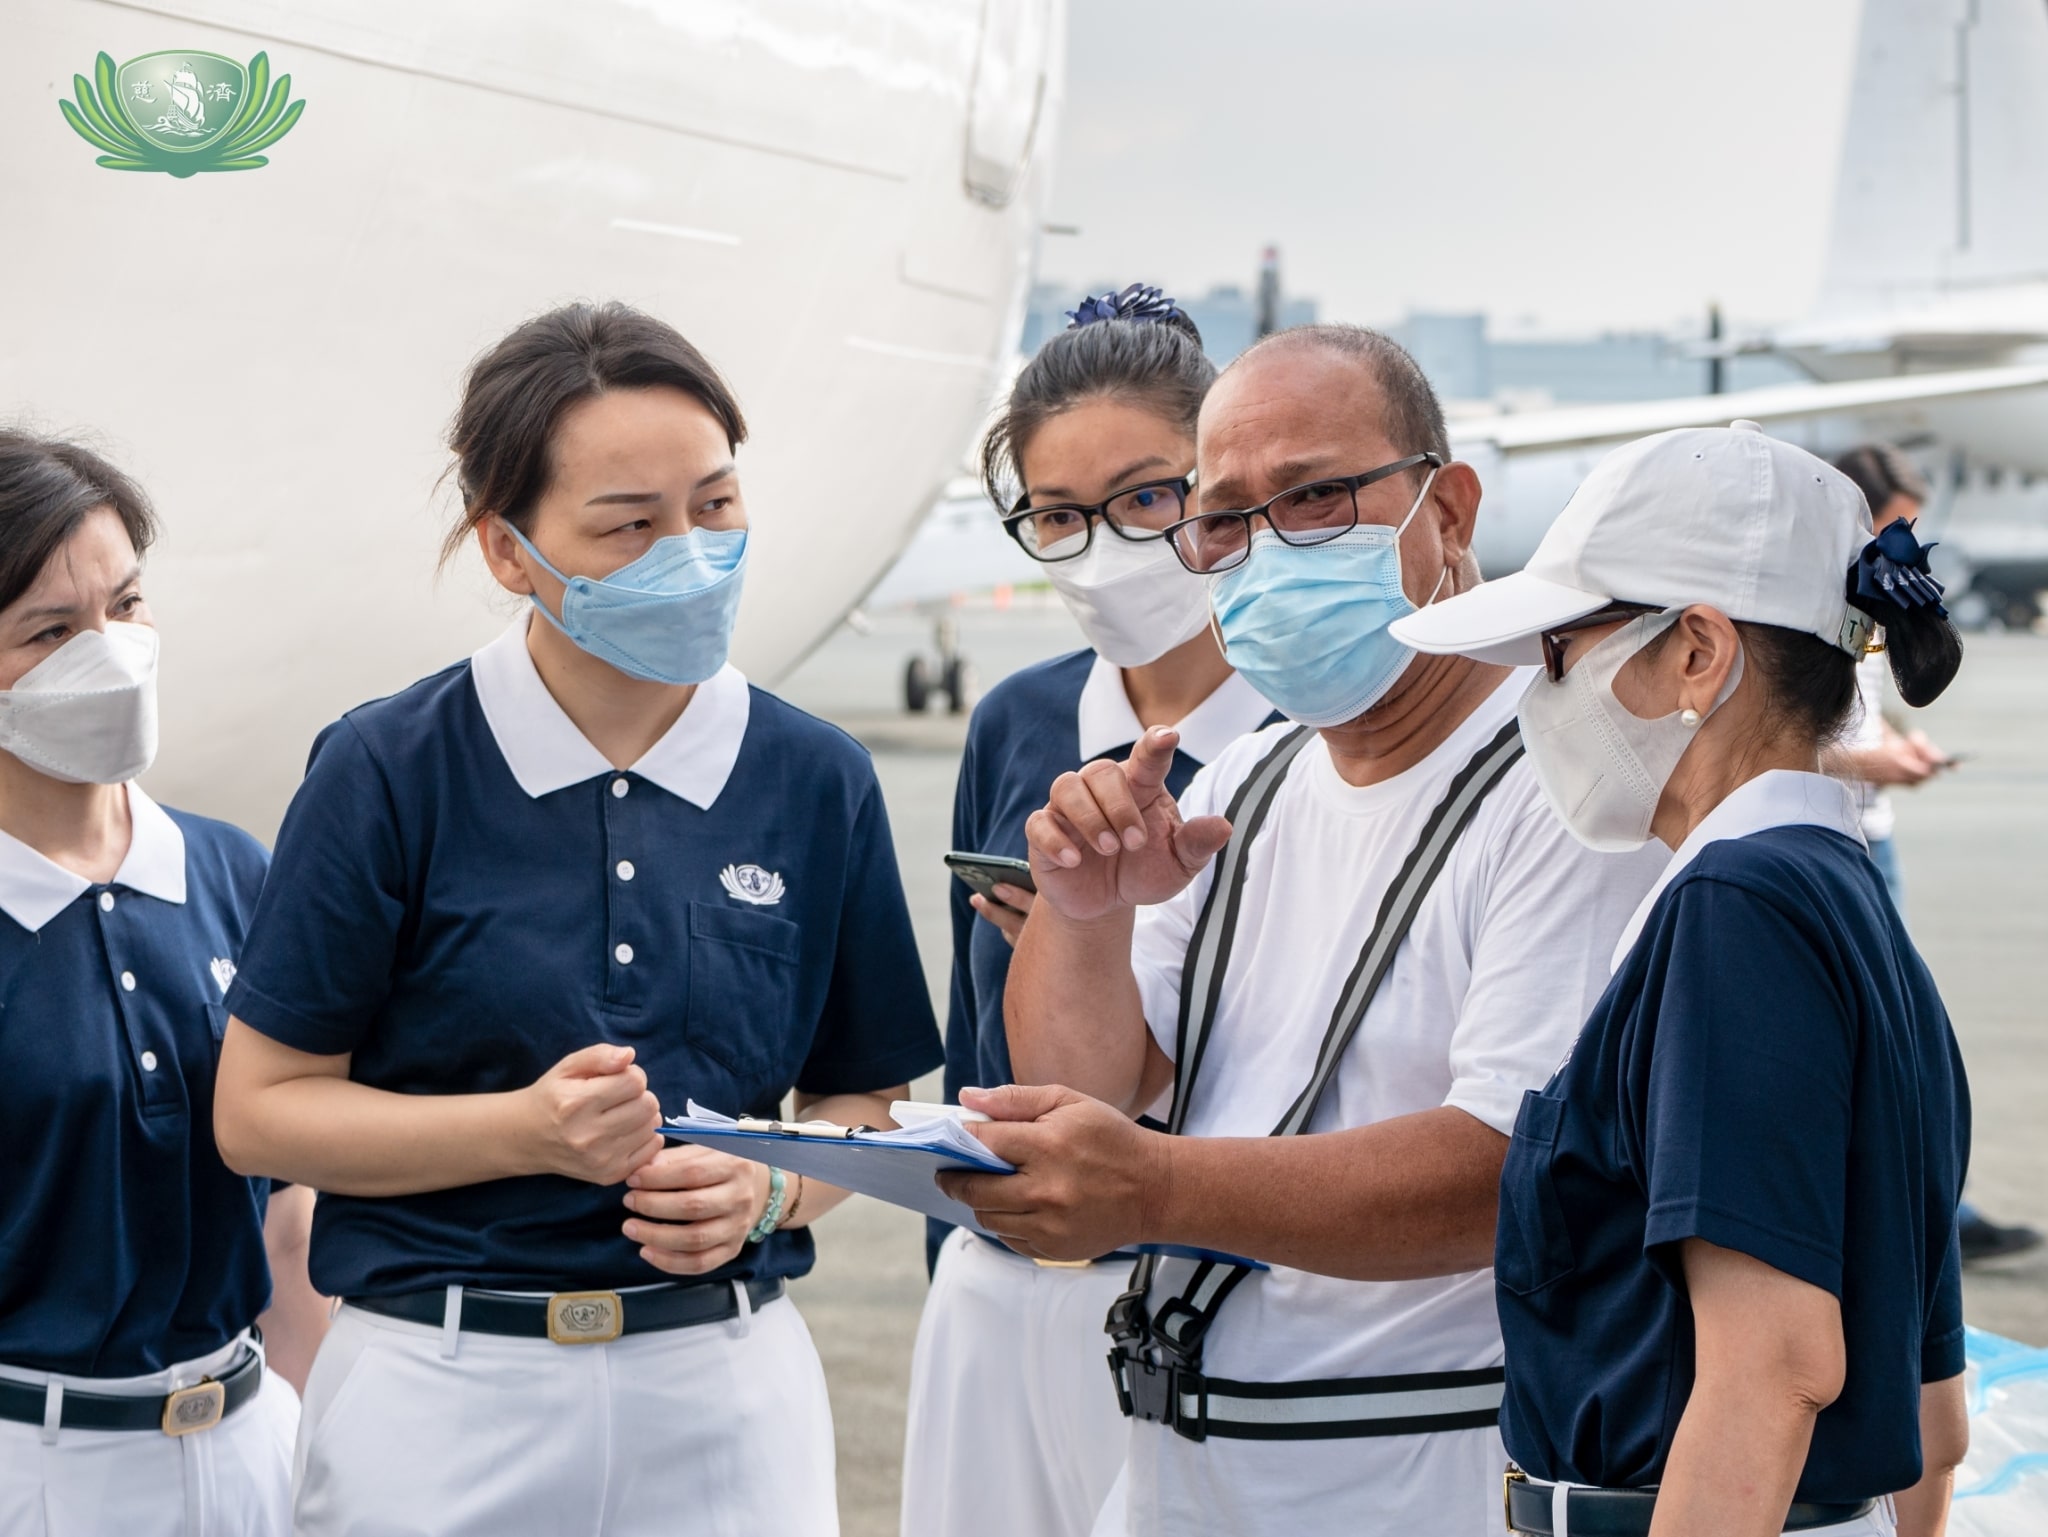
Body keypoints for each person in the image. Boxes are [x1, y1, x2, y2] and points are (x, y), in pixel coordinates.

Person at [211, 302, 943, 1535]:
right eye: (629, 525)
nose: (689, 551)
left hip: (725, 1393)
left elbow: (862, 1105)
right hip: (441, 1397)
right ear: (509, 551)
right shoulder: (389, 767)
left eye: (714, 507)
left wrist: (770, 1193)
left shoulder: (813, 776)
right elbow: (259, 1111)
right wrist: (524, 1131)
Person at [938, 324, 1668, 1537]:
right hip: (1182, 1454)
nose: (1265, 550)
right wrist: (1082, 921)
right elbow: (1087, 1089)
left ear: (1449, 509)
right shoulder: (1246, 780)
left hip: (1415, 1457)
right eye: (1224, 518)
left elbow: (1502, 1174)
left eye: (1316, 497)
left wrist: (1155, 1186)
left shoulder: (1567, 790)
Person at [1392, 420, 1971, 1536]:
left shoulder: (1733, 913)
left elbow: (1772, 1366)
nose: (1537, 697)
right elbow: (1930, 1415)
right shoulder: (1848, 908)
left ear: (1696, 654)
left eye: (1560, 651)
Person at [902, 284, 1277, 1537]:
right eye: (1057, 515)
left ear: (1220, 485)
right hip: (1005, 1297)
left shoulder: (1321, 731)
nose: (1105, 545)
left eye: (1145, 497)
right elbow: (976, 1045)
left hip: (1235, 1291)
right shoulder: (1019, 719)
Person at [0, 430, 315, 1536]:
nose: (111, 651)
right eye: (50, 630)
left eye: (125, 605)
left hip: (246, 1447)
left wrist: (315, 1445)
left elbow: (290, 1223)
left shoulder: (237, 871)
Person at [1828, 444, 2038, 1266]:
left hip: (1874, 834)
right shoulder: (1817, 603)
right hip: (1843, 838)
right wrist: (1872, 762)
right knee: (1895, 1042)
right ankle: (1931, 1215)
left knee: (1902, 1040)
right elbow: (1786, 735)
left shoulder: (1862, 598)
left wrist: (1908, 744)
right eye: (1898, 522)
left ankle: (1931, 1205)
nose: (1909, 540)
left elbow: (1863, 705)